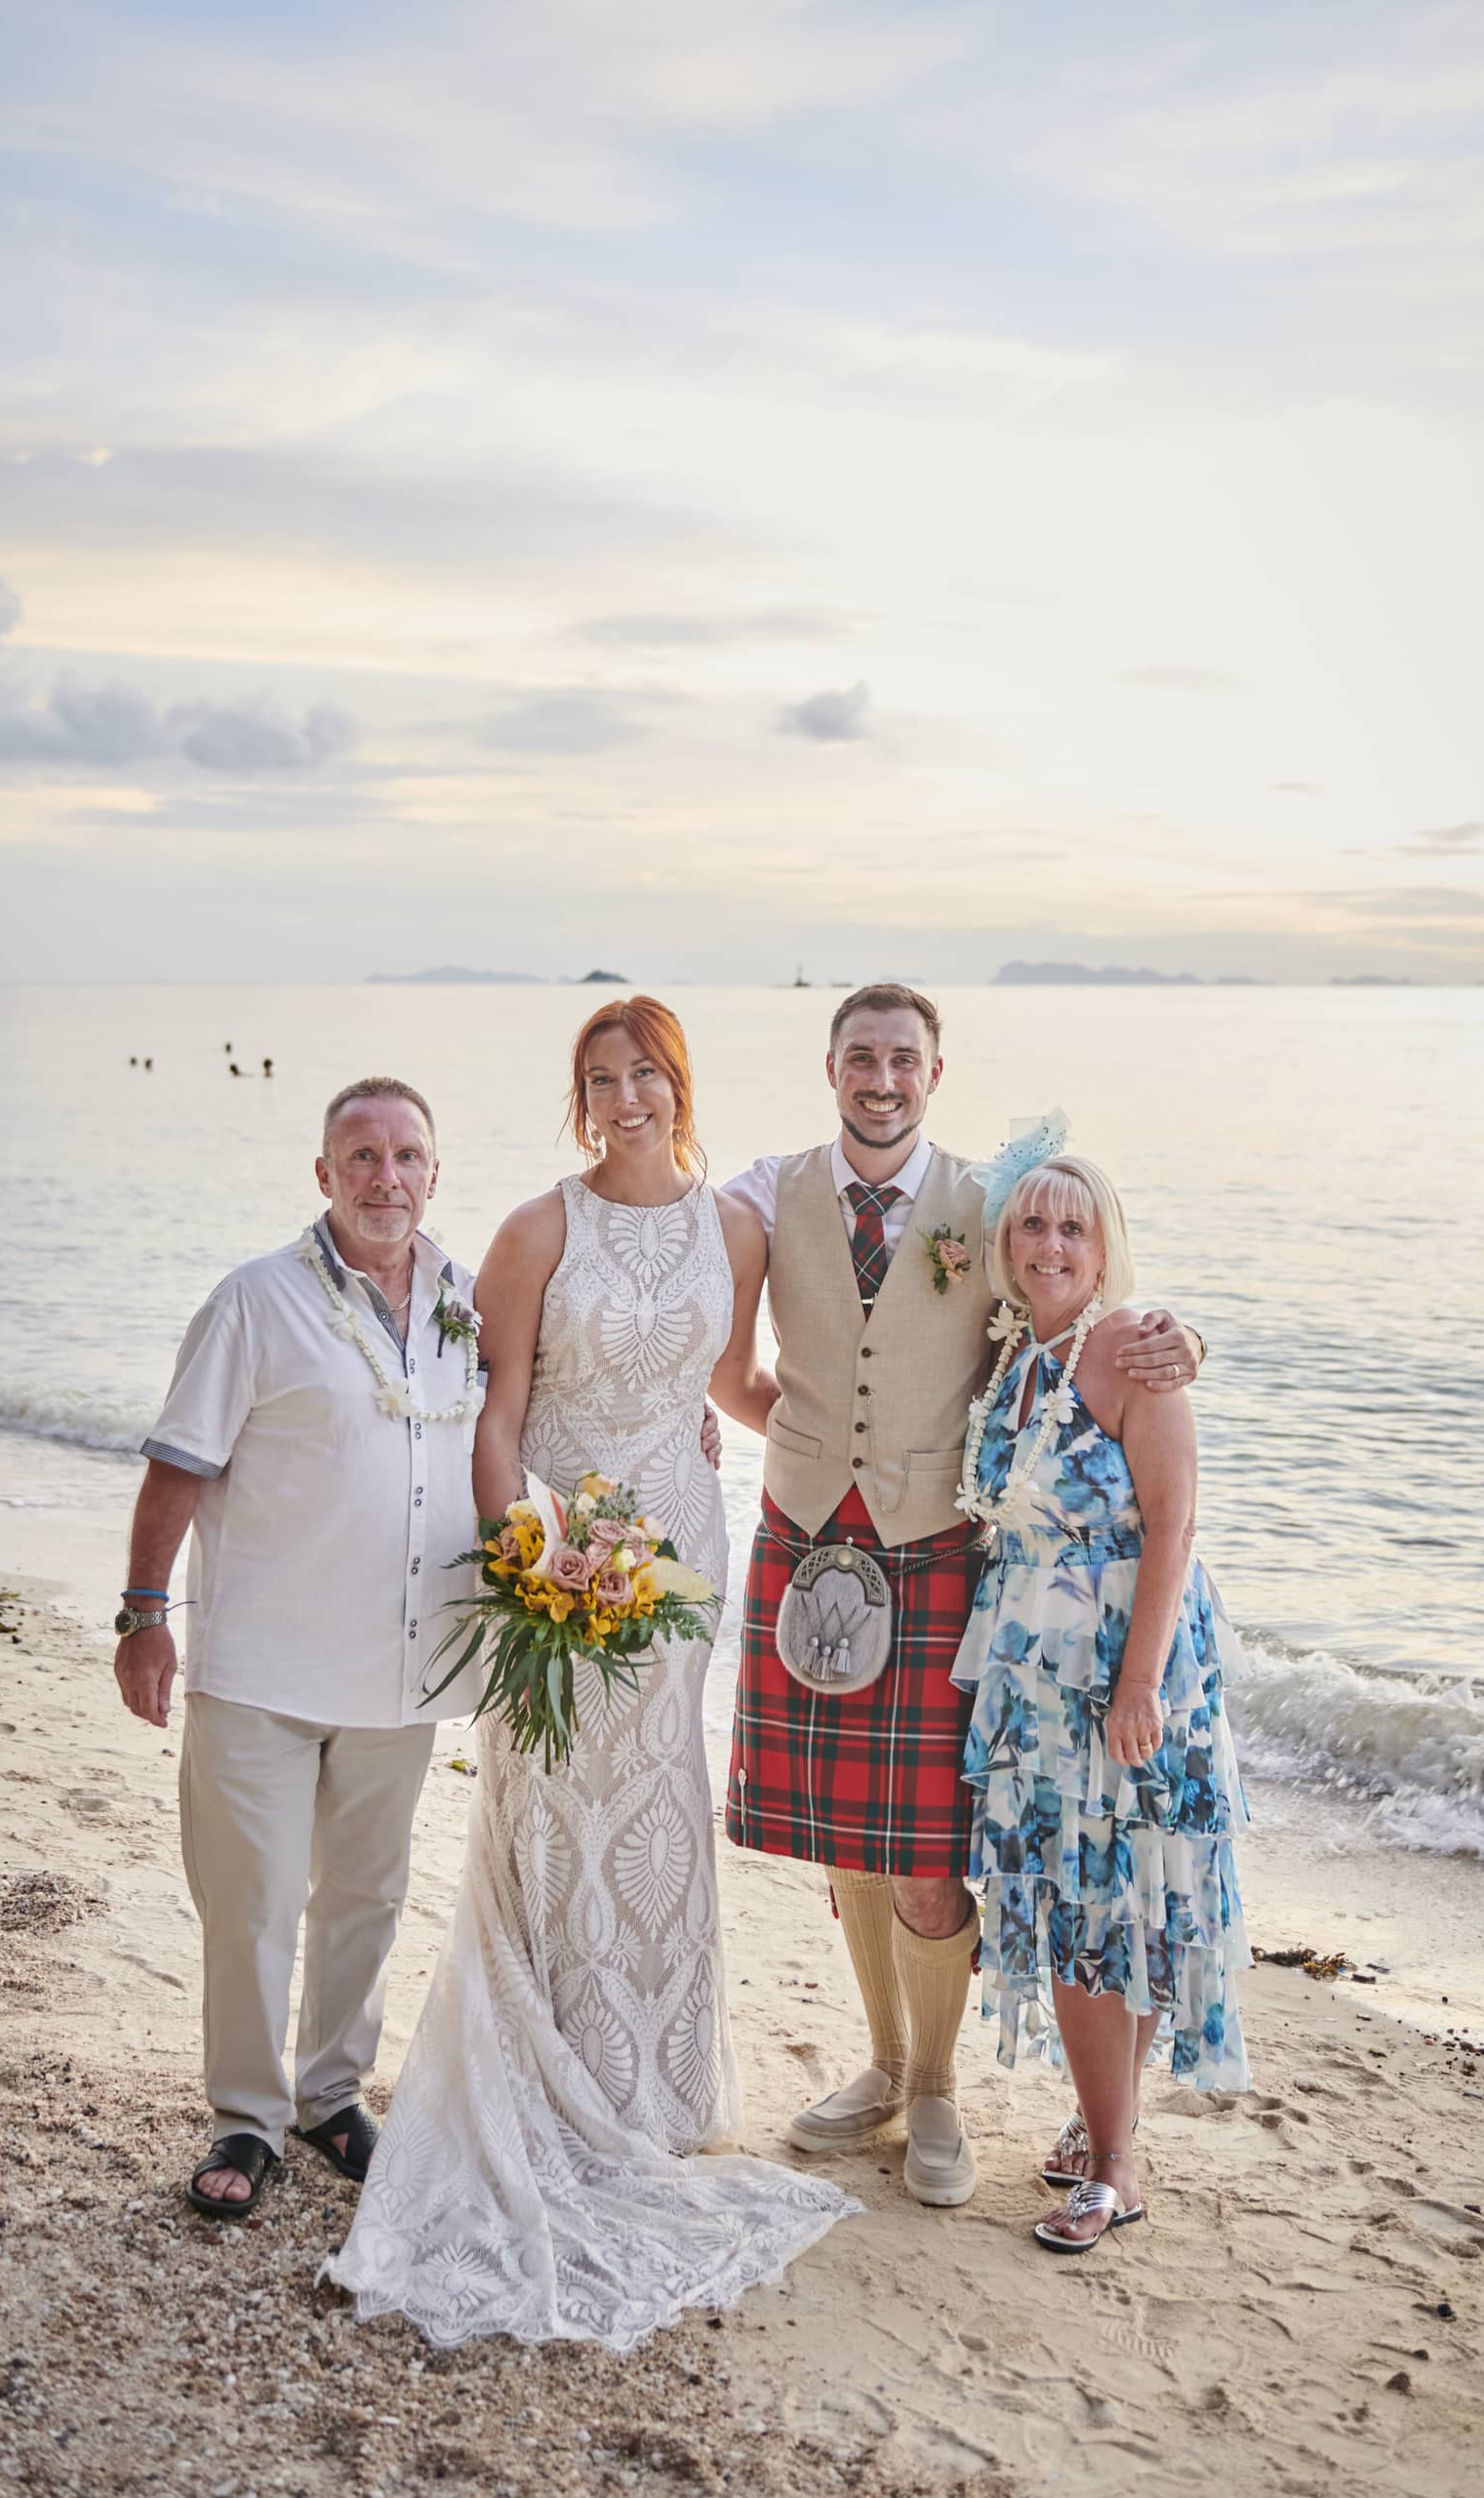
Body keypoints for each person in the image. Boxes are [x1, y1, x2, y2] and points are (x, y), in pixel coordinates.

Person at [328, 997, 858, 2348]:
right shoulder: (534, 1231)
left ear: (680, 1085)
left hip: (680, 1542)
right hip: (559, 1553)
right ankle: (553, 2070)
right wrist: (534, 1552)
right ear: (581, 1098)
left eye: (644, 1076)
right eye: (599, 1079)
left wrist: (867, 1431)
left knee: (659, 1804)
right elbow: (494, 1417)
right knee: (552, 1806)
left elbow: (734, 1382)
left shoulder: (732, 1229)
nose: (624, 1098)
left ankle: (653, 2094)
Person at [720, 984, 1202, 2208]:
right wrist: (815, 1448)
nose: (882, 1078)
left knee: (929, 1851)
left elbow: (1076, 1295)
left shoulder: (989, 1201)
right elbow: (719, 1360)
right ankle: (882, 2064)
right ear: (829, 1066)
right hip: (805, 1535)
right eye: (861, 1057)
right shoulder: (761, 1193)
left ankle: (935, 2085)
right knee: (846, 1847)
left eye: (904, 1060)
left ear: (938, 1072)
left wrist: (1181, 1339)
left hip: (935, 1549)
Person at [115, 1078, 488, 2220]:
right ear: (323, 1174)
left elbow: (512, 1435)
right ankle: (244, 2111)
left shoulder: (465, 1301)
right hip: (261, 1668)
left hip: (402, 1667)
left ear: (435, 1171)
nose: (386, 1177)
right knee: (253, 1897)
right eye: (361, 1156)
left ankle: (331, 2098)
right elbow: (179, 1464)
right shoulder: (254, 1301)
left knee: (368, 1893)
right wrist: (144, 1612)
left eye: (406, 1155)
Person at [953, 1152, 1250, 2252]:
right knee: (1094, 1900)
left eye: (1074, 1230)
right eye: (1032, 1225)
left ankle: (1116, 2169)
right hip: (1035, 1679)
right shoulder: (1016, 1354)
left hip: (1126, 1672)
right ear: (1005, 1241)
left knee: (1102, 1903)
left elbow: (1173, 1524)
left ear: (1105, 1240)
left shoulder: (1131, 1344)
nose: (1051, 1246)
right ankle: (1101, 2123)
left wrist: (1135, 1685)